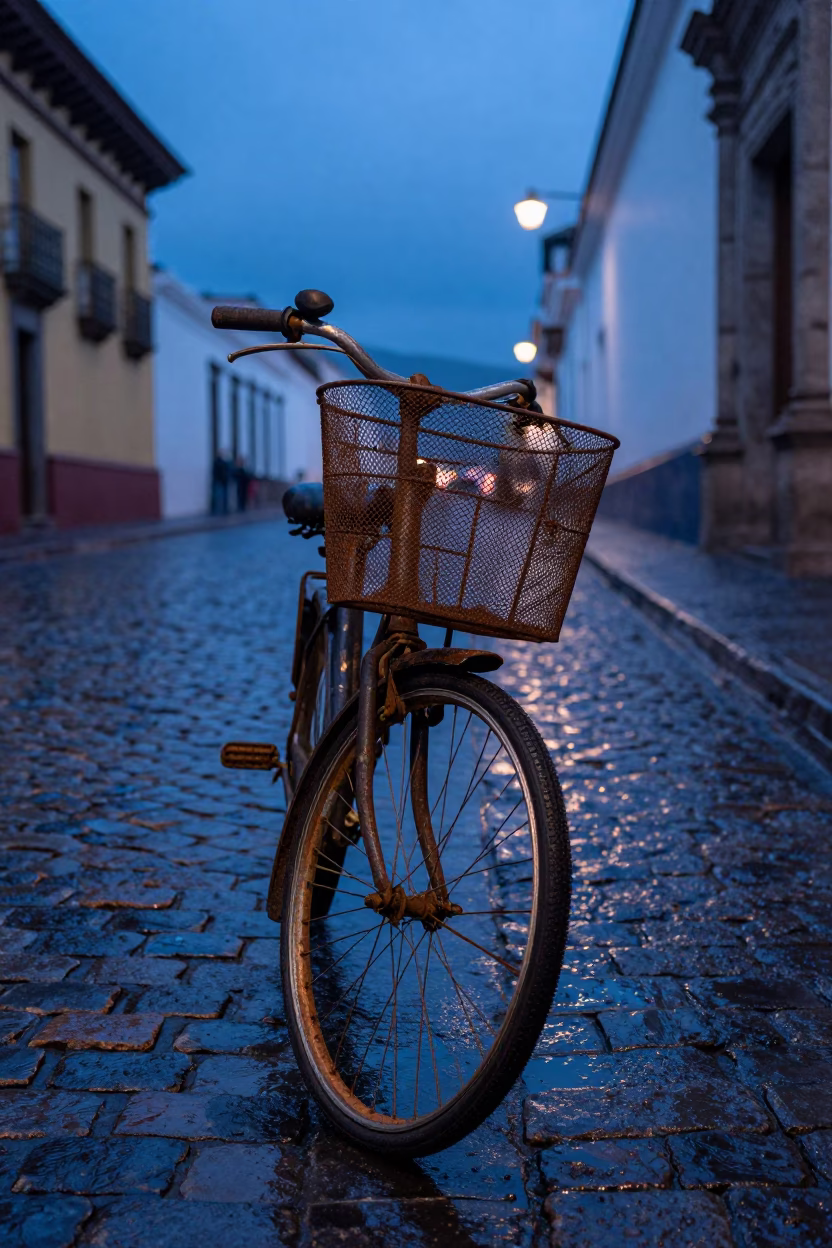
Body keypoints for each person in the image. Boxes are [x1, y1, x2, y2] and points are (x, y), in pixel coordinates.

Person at [211, 450, 231, 515]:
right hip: (220, 481)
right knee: (219, 496)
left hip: (223, 481)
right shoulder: (219, 463)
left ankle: (222, 509)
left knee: (222, 496)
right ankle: (219, 510)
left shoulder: (223, 462)